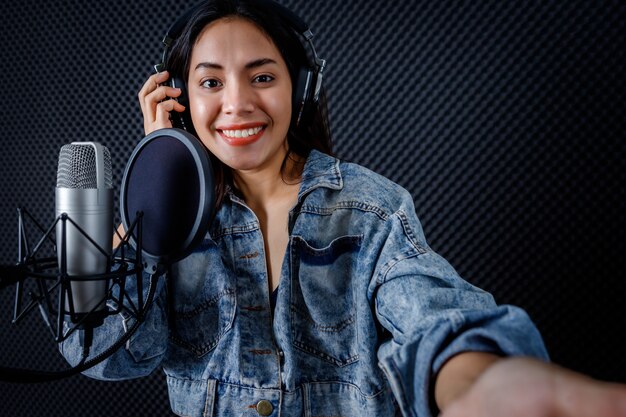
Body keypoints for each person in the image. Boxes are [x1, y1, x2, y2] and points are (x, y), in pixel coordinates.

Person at [62, 0, 626, 416]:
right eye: (210, 82)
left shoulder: (371, 209)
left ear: (299, 90)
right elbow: (114, 358)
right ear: (181, 99)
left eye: (262, 76)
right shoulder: (162, 223)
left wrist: (479, 384)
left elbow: (435, 316)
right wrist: (158, 184)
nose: (236, 104)